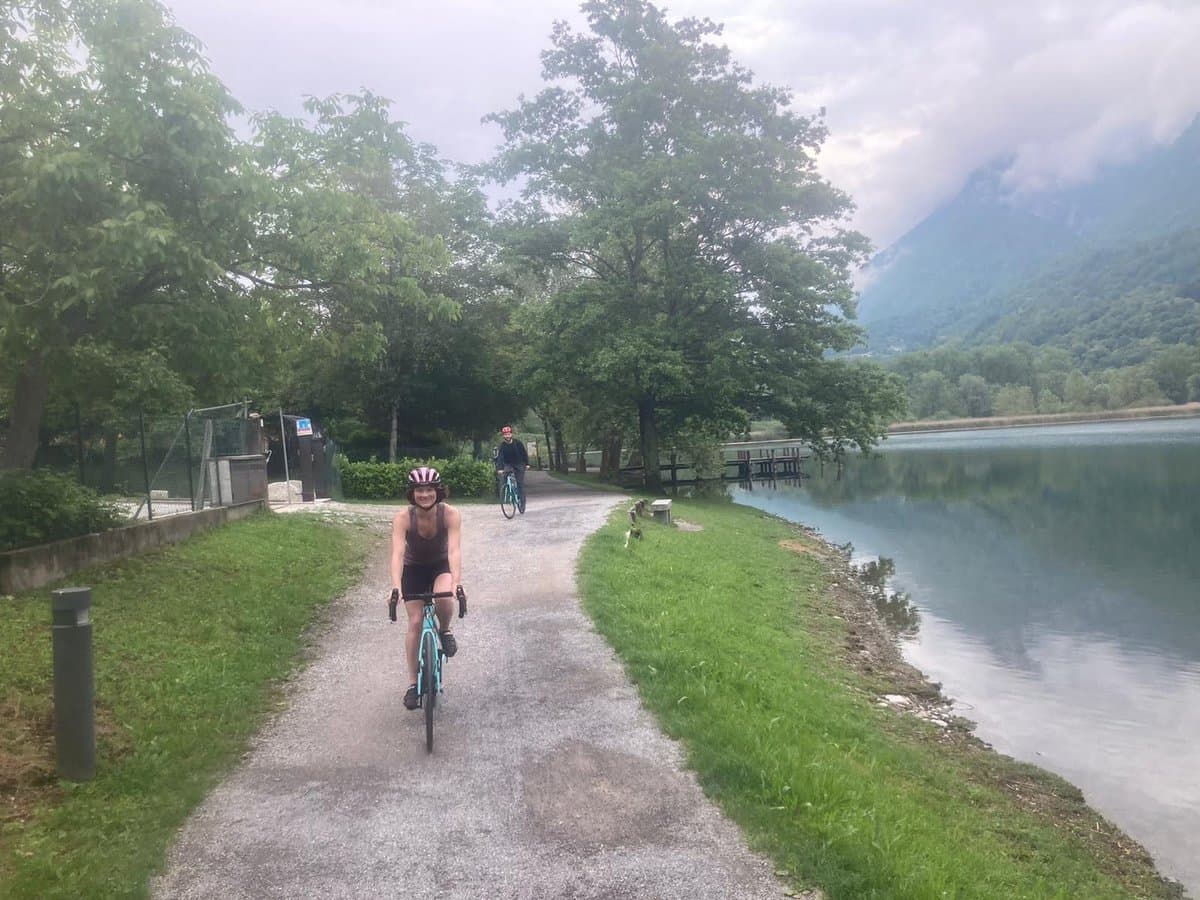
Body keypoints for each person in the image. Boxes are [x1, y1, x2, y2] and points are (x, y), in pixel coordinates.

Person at [389, 466, 463, 711]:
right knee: (415, 622)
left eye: (429, 489)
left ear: (437, 491)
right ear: (412, 493)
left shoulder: (450, 514)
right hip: (414, 569)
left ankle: (444, 630)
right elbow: (398, 555)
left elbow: (454, 551)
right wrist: (395, 587)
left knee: (444, 598)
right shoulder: (403, 518)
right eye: (419, 490)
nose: (424, 494)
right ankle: (412, 685)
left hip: (439, 565)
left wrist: (456, 583)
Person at [494, 425, 530, 509]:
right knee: (503, 477)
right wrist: (500, 468)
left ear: (511, 434)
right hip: (508, 464)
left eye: (508, 434)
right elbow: (500, 457)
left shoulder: (518, 443)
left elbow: (524, 453)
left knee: (520, 482)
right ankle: (506, 492)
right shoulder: (502, 445)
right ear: (503, 436)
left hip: (519, 463)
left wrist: (527, 463)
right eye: (505, 434)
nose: (507, 436)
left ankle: (522, 502)